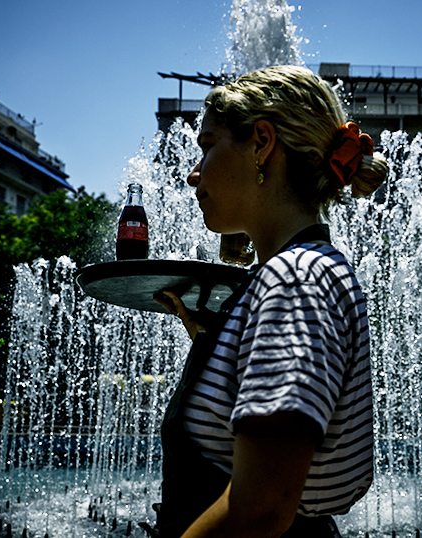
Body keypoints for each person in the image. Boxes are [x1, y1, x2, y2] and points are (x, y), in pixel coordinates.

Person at [154, 65, 389, 538]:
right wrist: (215, 344)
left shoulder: (295, 281)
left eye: (208, 145)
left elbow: (263, 507)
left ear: (262, 142)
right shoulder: (293, 274)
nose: (192, 172)